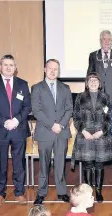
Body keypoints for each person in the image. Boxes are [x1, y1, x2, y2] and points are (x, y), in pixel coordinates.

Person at [0, 54, 31, 207]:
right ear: (0, 66)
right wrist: (4, 121)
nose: (8, 67)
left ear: (15, 68)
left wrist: (16, 120)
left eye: (11, 65)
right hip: (0, 129)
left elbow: (27, 107)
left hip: (18, 129)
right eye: (5, 65)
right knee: (0, 164)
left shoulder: (23, 84)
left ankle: (19, 193)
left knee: (19, 163)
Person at [31, 59, 73, 204]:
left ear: (59, 71)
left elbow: (69, 109)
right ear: (45, 69)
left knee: (60, 163)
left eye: (56, 69)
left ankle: (62, 192)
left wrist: (60, 125)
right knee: (44, 164)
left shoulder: (65, 88)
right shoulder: (37, 88)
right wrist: (51, 125)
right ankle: (41, 193)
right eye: (50, 68)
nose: (53, 71)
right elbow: (36, 111)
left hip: (61, 132)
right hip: (45, 132)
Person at [71, 72, 112, 203]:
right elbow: (76, 116)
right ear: (87, 83)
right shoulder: (80, 97)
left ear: (99, 83)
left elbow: (110, 117)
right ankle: (88, 191)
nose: (93, 82)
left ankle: (99, 191)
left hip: (102, 136)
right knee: (88, 164)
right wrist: (83, 131)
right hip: (85, 136)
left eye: (96, 80)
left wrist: (101, 131)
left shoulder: (106, 97)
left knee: (99, 165)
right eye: (90, 80)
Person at [87, 30, 112, 104]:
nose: (107, 41)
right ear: (100, 41)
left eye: (109, 39)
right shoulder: (93, 55)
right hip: (97, 92)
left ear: (111, 41)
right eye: (104, 39)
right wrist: (88, 90)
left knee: (111, 115)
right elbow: (89, 74)